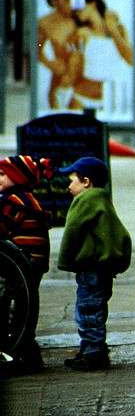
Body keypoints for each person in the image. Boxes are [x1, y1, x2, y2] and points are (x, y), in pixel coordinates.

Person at [57, 157, 131, 371]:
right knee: (95, 309)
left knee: (87, 309)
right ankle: (91, 347)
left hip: (91, 267)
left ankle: (93, 353)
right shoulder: (102, 199)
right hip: (103, 268)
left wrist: (66, 260)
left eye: (72, 181)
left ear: (86, 181)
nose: (69, 186)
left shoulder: (86, 200)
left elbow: (73, 230)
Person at [0, 155, 52, 372]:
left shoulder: (14, 201)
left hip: (20, 262)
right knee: (24, 309)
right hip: (34, 263)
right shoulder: (30, 199)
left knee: (10, 306)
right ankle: (28, 352)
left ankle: (14, 352)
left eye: (3, 174)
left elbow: (2, 229)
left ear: (17, 177)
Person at [36, 0, 77, 109]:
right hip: (61, 72)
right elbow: (37, 46)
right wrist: (49, 64)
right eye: (67, 1)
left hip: (84, 75)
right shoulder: (45, 23)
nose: (72, 4)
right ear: (54, 2)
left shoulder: (80, 17)